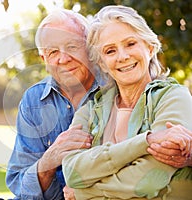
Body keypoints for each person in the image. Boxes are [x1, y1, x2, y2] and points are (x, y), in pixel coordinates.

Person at [62, 5, 192, 200]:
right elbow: (73, 173)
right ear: (102, 64)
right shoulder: (91, 109)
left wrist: (84, 192)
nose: (123, 57)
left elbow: (148, 181)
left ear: (150, 47)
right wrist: (146, 141)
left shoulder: (174, 97)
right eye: (110, 51)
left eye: (130, 44)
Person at [5, 9, 105, 199]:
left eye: (72, 46)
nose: (63, 59)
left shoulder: (114, 88)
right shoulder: (33, 101)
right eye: (53, 52)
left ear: (90, 47)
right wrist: (49, 160)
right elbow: (20, 184)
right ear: (44, 60)